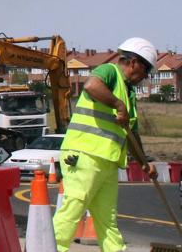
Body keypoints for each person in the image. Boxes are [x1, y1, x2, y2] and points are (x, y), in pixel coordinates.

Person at [53, 37, 159, 252]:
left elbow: (132, 133)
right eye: (146, 71)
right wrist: (118, 104)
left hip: (107, 161)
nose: (145, 77)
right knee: (73, 209)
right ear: (134, 62)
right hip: (85, 155)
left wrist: (144, 163)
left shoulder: (128, 92)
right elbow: (91, 85)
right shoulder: (109, 71)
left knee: (107, 220)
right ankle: (48, 248)